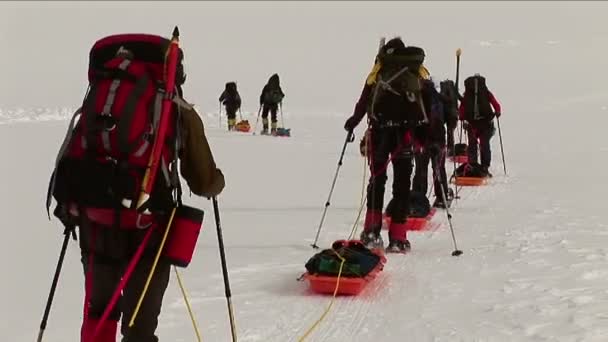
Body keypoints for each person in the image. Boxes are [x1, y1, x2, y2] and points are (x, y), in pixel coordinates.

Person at [47, 33, 225, 342]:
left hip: (95, 222)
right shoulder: (177, 109)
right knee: (139, 325)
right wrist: (216, 182)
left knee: (99, 311)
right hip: (148, 226)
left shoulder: (98, 100)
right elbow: (204, 182)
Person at [344, 37, 431, 253]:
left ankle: (372, 232)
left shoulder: (378, 72)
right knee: (401, 186)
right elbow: (426, 105)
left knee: (377, 180)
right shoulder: (415, 72)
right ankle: (398, 238)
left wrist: (353, 123)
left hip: (380, 133)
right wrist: (426, 137)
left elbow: (363, 102)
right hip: (405, 137)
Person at [412, 79, 454, 208]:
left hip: (421, 140)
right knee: (439, 168)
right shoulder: (440, 98)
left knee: (420, 169)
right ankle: (441, 197)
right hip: (438, 139)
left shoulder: (416, 98)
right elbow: (451, 120)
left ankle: (418, 198)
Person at [458, 74, 502, 176]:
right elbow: (495, 104)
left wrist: (462, 119)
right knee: (484, 145)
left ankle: (472, 165)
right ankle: (484, 167)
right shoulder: (485, 92)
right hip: (486, 123)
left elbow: (462, 109)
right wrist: (498, 112)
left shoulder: (467, 94)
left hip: (472, 124)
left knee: (472, 145)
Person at [439, 79, 461, 156]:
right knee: (450, 131)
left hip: (444, 114)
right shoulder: (454, 91)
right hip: (453, 114)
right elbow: (461, 98)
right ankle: (450, 149)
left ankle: (443, 147)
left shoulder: (442, 92)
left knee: (444, 131)